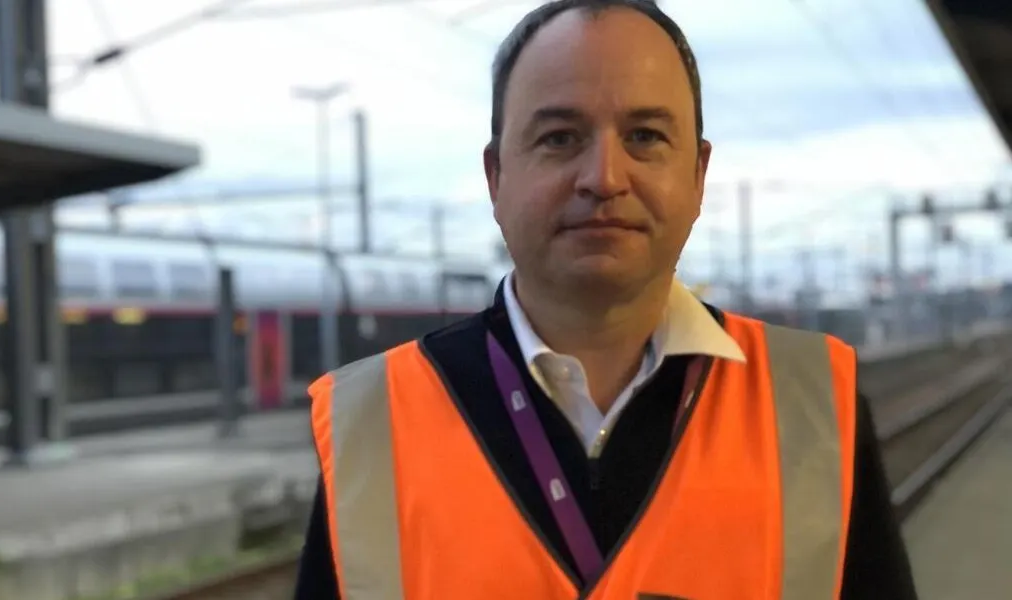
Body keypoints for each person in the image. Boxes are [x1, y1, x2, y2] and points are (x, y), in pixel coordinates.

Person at [294, 1, 918, 598]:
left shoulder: (812, 404)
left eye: (645, 136)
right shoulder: (370, 424)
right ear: (496, 178)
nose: (604, 178)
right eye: (560, 138)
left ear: (698, 177)